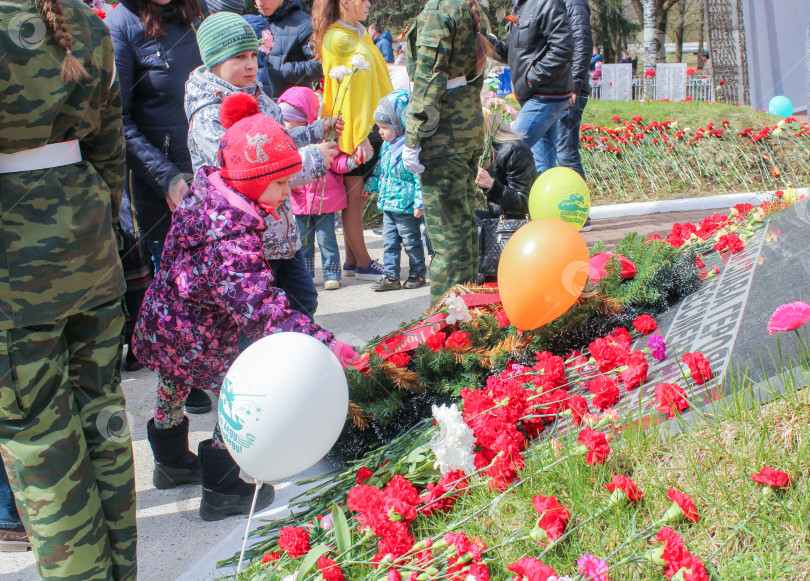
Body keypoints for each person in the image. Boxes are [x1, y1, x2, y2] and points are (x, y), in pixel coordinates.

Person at [133, 93, 358, 521]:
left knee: (173, 381)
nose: (286, 193)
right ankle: (223, 487)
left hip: (166, 322)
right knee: (239, 397)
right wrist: (326, 343)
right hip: (202, 337)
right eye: (279, 184)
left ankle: (169, 462)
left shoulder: (208, 194)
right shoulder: (232, 238)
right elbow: (264, 311)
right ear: (252, 178)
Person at [0, 0, 137, 577]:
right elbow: (110, 148)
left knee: (43, 446)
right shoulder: (87, 22)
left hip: (15, 265)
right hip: (88, 244)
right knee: (103, 420)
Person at [186, 12, 342, 320]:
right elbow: (252, 173)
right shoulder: (210, 116)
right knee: (258, 319)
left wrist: (311, 132)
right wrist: (311, 158)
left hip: (281, 236)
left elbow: (276, 142)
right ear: (215, 61)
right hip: (244, 244)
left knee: (303, 301)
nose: (250, 65)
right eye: (239, 57)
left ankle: (300, 364)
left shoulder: (258, 97)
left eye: (253, 55)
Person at [107, 0, 214, 412]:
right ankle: (180, 397)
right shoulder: (121, 23)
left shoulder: (199, 11)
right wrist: (166, 176)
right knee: (180, 294)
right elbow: (117, 118)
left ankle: (216, 371)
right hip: (160, 183)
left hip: (214, 171)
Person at [403, 0, 487, 303]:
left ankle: (446, 321)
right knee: (462, 229)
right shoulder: (465, 7)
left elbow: (428, 79)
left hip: (442, 135)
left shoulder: (440, 10)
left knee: (446, 236)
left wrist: (414, 136)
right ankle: (467, 310)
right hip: (464, 125)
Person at [312, 0, 394, 282]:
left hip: (368, 126)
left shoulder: (356, 32)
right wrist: (358, 136)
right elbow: (348, 92)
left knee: (356, 197)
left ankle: (350, 260)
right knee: (353, 199)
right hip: (355, 130)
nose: (369, 4)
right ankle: (363, 262)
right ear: (345, 2)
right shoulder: (338, 38)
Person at [279, 87, 356, 290]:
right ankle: (307, 274)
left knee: (327, 239)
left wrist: (352, 161)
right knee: (303, 243)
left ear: (304, 121)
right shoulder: (286, 145)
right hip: (300, 204)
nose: (283, 125)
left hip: (325, 202)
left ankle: (332, 274)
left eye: (286, 121)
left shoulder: (324, 140)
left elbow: (336, 164)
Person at [488, 0, 574, 178]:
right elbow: (512, 53)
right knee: (542, 169)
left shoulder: (547, 3)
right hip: (536, 95)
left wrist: (531, 79)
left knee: (506, 154)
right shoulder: (519, 7)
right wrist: (485, 40)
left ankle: (510, 205)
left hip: (544, 96)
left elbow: (562, 48)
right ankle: (542, 205)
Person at [366, 90, 427, 292]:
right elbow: (381, 171)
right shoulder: (386, 146)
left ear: (399, 124)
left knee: (411, 241)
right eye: (379, 127)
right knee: (389, 241)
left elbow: (419, 178)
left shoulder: (410, 150)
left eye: (385, 127)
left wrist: (420, 203)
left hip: (407, 206)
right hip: (388, 205)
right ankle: (391, 276)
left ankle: (417, 273)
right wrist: (371, 186)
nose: (380, 132)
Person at [556, 0, 593, 231]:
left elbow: (582, 42)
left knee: (566, 152)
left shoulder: (574, 2)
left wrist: (575, 83)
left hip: (569, 89)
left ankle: (581, 215)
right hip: (553, 88)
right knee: (557, 151)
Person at [247, 0, 323, 99]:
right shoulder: (254, 24)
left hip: (292, 105)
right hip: (261, 102)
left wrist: (283, 71)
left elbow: (320, 65)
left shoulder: (305, 24)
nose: (260, 3)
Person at [475, 111, 535, 223]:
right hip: (498, 218)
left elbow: (524, 206)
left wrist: (491, 185)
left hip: (514, 225)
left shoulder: (515, 150)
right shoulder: (484, 151)